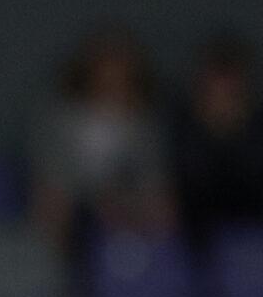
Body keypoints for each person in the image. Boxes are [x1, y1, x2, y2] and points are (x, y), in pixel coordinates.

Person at [29, 24, 176, 248]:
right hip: (74, 194)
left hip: (126, 195)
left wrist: (121, 197)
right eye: (106, 64)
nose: (112, 74)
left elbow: (152, 175)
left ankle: (151, 264)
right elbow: (53, 169)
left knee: (162, 205)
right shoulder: (63, 116)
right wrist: (96, 197)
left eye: (120, 66)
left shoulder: (143, 121)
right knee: (52, 201)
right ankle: (53, 265)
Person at [170, 32, 263, 237]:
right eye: (216, 84)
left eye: (230, 88)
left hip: (257, 231)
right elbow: (189, 182)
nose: (222, 94)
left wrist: (235, 128)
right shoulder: (181, 128)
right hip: (193, 236)